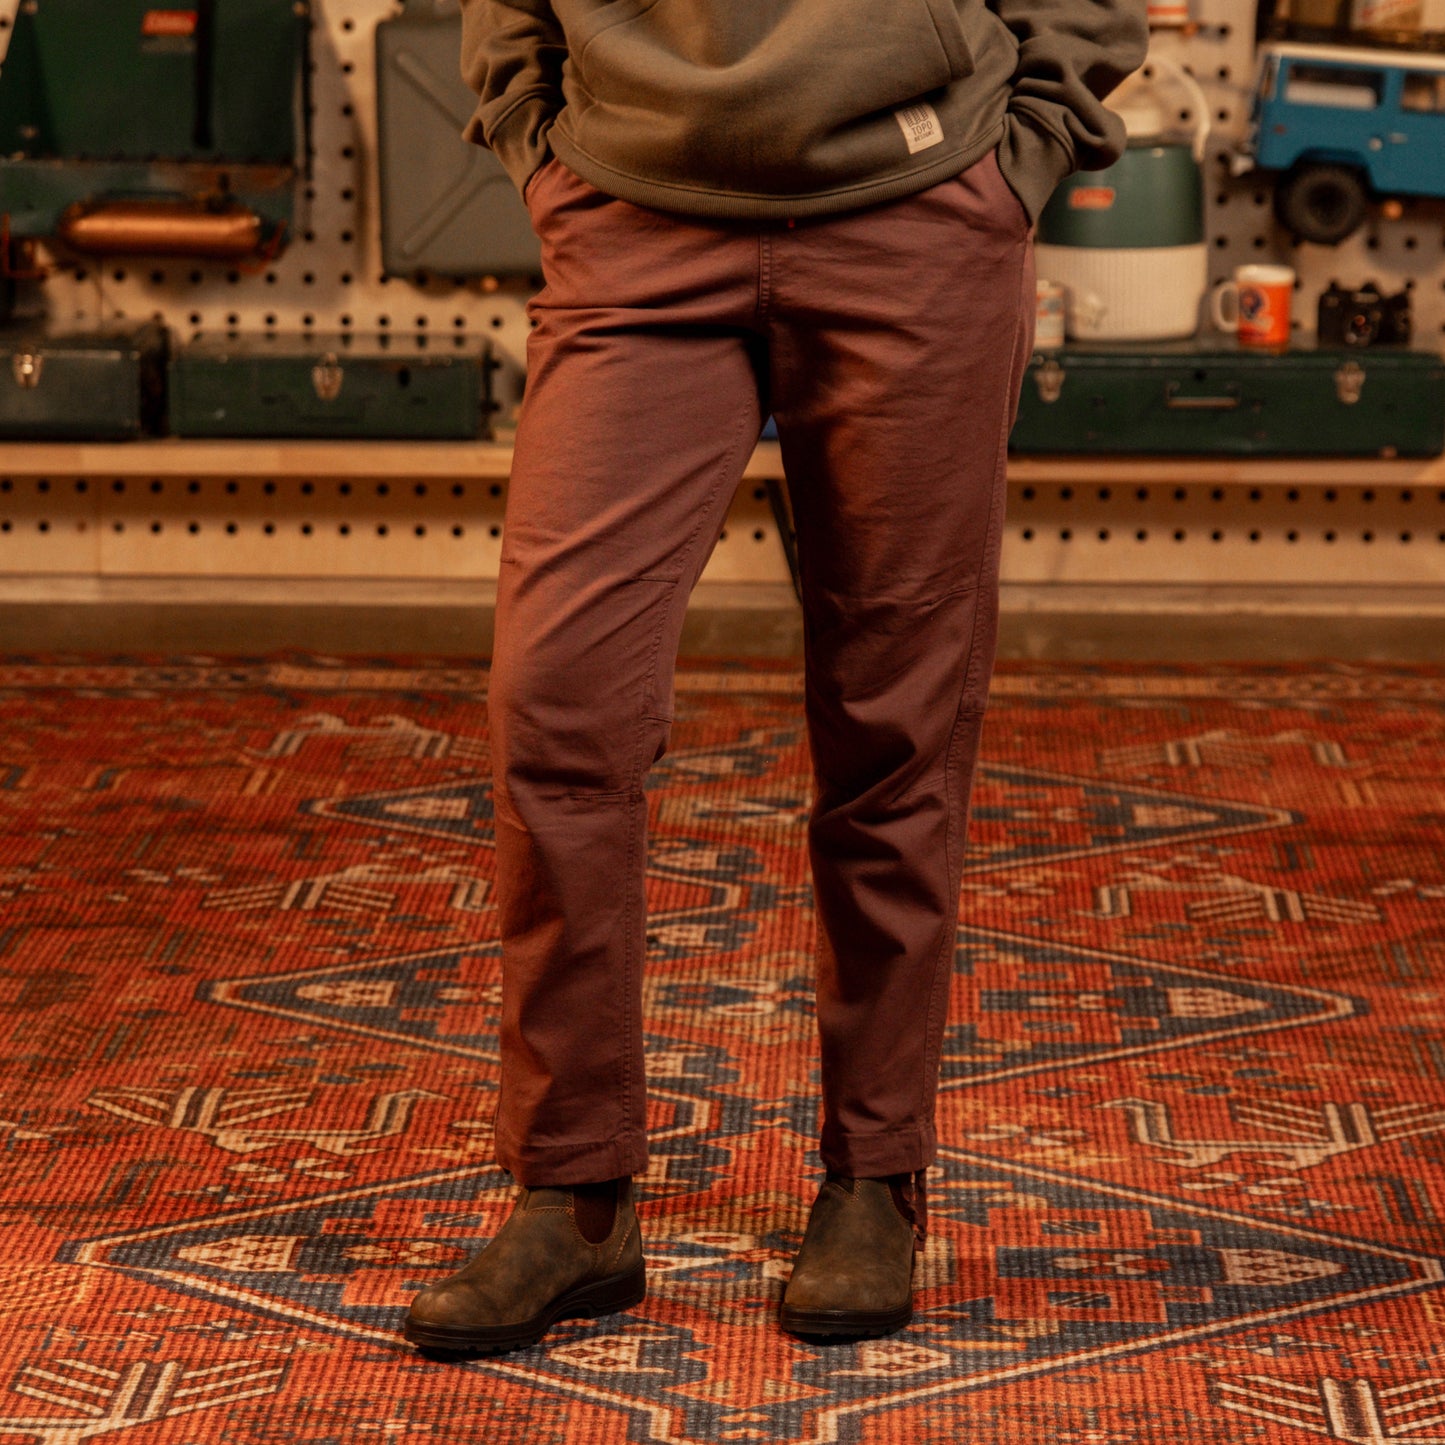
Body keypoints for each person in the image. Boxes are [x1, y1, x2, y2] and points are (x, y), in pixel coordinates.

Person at [405, 0, 1148, 1355]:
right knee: (557, 704)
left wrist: (1023, 153)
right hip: (631, 218)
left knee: (894, 719)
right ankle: (573, 1194)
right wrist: (536, 141)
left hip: (917, 211)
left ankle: (875, 1174)